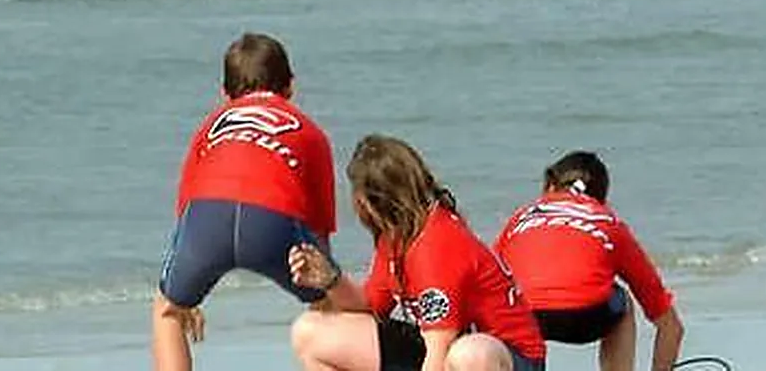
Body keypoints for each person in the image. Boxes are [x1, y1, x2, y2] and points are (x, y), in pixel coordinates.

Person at [154, 33, 337, 371]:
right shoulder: (310, 131)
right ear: (291, 87)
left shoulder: (211, 125)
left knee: (167, 309)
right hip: (272, 221)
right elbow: (320, 224)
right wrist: (326, 287)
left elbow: (186, 206)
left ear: (224, 94)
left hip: (206, 220)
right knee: (332, 308)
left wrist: (185, 292)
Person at [289, 134, 546, 371]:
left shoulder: (436, 245)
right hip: (441, 342)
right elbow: (371, 307)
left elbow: (439, 348)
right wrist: (331, 280)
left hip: (508, 356)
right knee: (310, 331)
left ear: (370, 201)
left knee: (468, 354)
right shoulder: (396, 234)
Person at [497, 151, 684, 371]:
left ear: (549, 186)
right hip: (586, 316)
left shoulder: (521, 216)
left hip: (524, 316)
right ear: (601, 197)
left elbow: (487, 275)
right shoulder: (608, 221)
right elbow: (670, 326)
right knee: (623, 302)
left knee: (499, 305)